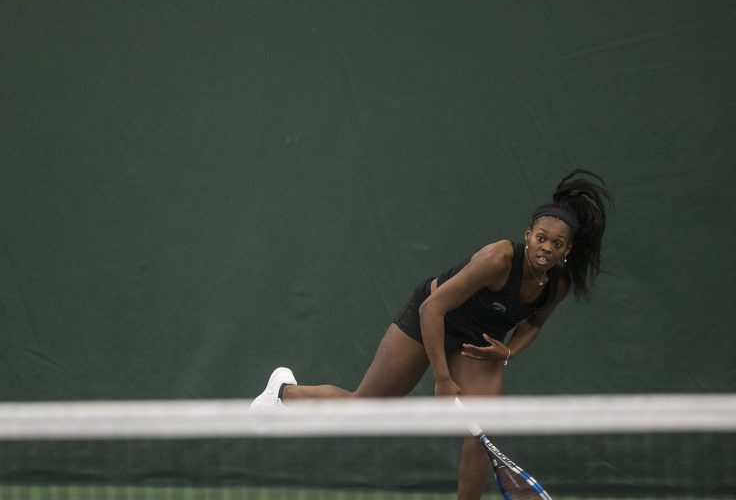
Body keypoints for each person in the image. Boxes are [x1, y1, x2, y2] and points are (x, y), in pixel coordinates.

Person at [250, 169, 611, 500]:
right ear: (528, 235)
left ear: (567, 250)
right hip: (433, 316)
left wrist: (508, 352)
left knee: (485, 428)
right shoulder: (498, 258)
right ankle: (282, 392)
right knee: (364, 407)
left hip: (475, 341)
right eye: (541, 238)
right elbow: (432, 309)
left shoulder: (557, 285)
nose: (547, 248)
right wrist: (442, 379)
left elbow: (533, 325)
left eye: (557, 244)